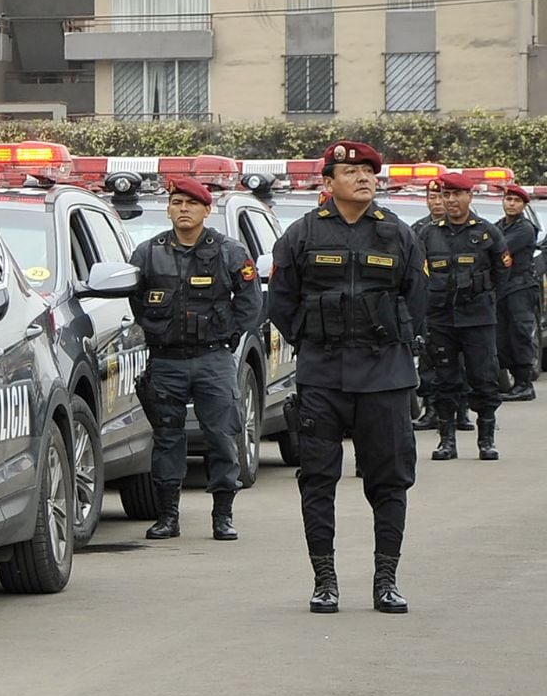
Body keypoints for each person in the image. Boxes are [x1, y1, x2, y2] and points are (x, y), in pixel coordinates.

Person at [269, 141, 428, 615]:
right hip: (323, 376)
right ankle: (325, 580)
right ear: (328, 182)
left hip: (385, 376)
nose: (363, 177)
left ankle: (386, 580)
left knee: (390, 481)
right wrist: (315, 338)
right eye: (350, 171)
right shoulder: (302, 235)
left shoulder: (397, 234)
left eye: (368, 171)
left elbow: (417, 300)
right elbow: (280, 302)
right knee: (317, 479)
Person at [127, 176, 261, 541]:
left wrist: (231, 337)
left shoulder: (229, 251)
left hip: (213, 359)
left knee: (221, 436)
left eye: (191, 204)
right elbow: (136, 301)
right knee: (168, 438)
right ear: (168, 209)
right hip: (166, 360)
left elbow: (250, 301)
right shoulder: (148, 252)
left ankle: (223, 515)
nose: (183, 210)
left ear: (206, 209)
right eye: (176, 203)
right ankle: (168, 517)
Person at [419, 172, 511, 461]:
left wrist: (485, 299)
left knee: (483, 378)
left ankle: (486, 440)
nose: (451, 201)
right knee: (444, 380)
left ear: (469, 197)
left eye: (457, 195)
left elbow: (503, 270)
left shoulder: (486, 232)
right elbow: (419, 275)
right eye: (446, 195)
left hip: (478, 319)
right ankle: (447, 441)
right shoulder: (428, 233)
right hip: (441, 319)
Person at [495, 183, 540, 402]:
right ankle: (514, 381)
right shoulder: (499, 225)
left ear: (523, 205)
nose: (511, 204)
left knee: (519, 334)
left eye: (516, 201)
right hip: (503, 288)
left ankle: (524, 384)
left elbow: (499, 248)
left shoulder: (524, 228)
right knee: (503, 336)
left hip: (520, 288)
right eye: (508, 200)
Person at [410, 183, 448, 431]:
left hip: (454, 306)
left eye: (440, 197)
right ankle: (432, 409)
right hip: (427, 303)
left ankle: (459, 411)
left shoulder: (459, 228)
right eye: (431, 197)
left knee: (456, 361)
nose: (436, 202)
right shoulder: (418, 230)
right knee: (428, 359)